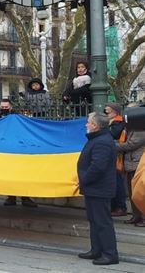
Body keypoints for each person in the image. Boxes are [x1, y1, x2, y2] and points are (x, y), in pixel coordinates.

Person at [77, 112, 119, 266]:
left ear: (95, 125)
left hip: (99, 188)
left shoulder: (101, 141)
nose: (86, 124)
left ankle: (109, 254)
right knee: (94, 221)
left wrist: (84, 180)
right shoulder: (98, 138)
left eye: (88, 122)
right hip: (94, 188)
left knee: (102, 222)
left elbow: (98, 167)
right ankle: (96, 250)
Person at [0, 100, 38, 208]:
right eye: (2, 106)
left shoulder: (18, 119)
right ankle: (11, 197)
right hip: (4, 151)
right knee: (9, 175)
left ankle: (25, 198)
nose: (4, 108)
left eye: (6, 106)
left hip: (18, 150)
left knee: (22, 175)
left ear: (10, 107)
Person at [116, 121, 145, 227]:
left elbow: (131, 144)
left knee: (140, 193)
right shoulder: (132, 128)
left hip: (138, 164)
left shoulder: (141, 130)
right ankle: (136, 215)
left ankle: (143, 217)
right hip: (130, 164)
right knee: (132, 193)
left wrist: (113, 146)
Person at [105, 103, 127, 217]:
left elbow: (113, 134)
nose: (106, 113)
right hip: (112, 155)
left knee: (117, 182)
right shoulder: (113, 122)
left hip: (116, 156)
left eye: (107, 112)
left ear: (115, 111)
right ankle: (115, 206)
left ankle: (120, 207)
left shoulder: (118, 121)